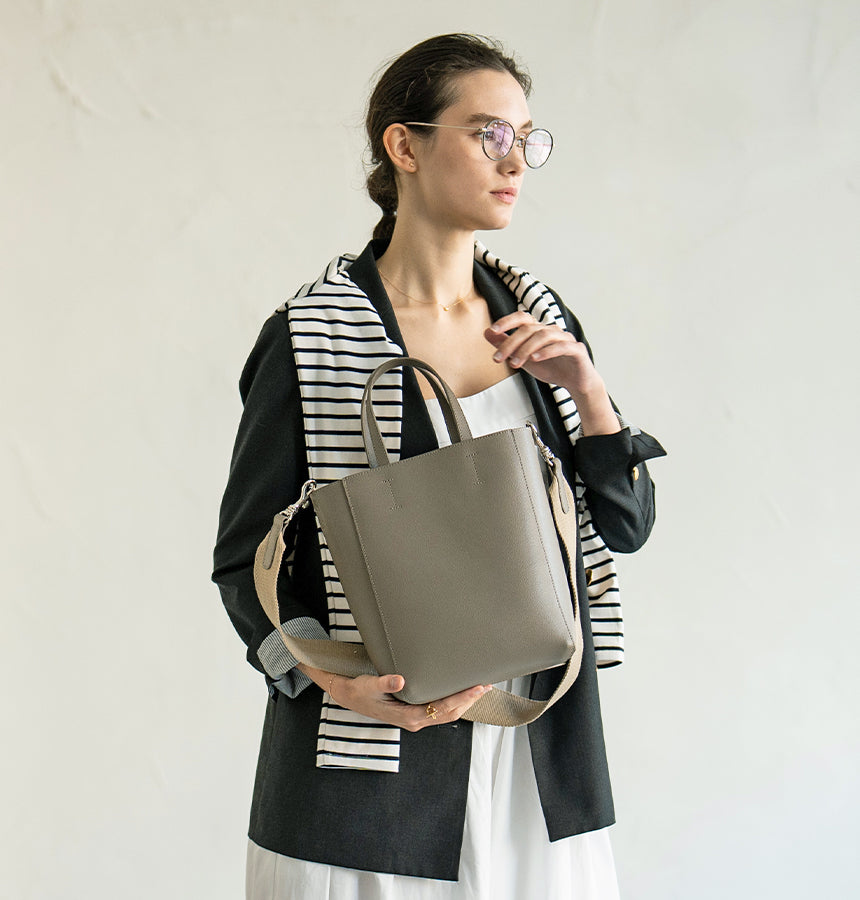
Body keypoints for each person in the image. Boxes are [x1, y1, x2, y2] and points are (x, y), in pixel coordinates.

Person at [212, 33, 665, 899]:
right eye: (489, 134)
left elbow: (625, 526)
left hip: (536, 750)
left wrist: (588, 390)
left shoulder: (541, 322)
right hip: (371, 778)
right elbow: (245, 560)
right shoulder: (311, 339)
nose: (516, 162)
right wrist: (329, 680)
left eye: (526, 139)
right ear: (405, 146)